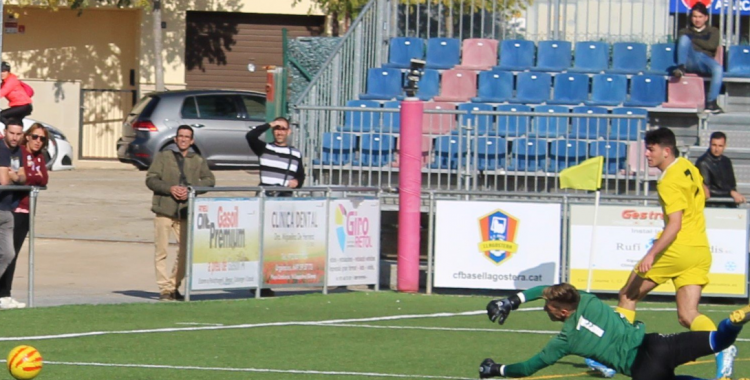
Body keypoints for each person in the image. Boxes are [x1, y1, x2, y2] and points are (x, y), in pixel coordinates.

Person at [608, 127, 735, 379]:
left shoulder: (667, 180)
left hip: (677, 249)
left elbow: (674, 225)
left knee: (628, 294)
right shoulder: (689, 166)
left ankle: (612, 360)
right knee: (688, 315)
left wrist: (651, 254)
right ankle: (724, 349)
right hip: (699, 249)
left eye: (651, 149)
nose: (646, 154)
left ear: (666, 151)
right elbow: (705, 193)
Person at [479, 283, 750, 380]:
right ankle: (736, 321)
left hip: (643, 370)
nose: (544, 307)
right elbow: (546, 290)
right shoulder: (587, 298)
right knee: (718, 339)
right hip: (657, 344)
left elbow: (526, 369)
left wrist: (495, 369)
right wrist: (513, 301)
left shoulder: (564, 341)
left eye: (548, 306)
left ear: (562, 312)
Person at [146, 125, 215, 301]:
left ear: (191, 141)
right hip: (164, 210)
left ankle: (173, 285)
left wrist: (192, 190)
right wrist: (170, 189)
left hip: (185, 212)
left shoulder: (197, 159)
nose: (183, 139)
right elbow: (151, 179)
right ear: (175, 139)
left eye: (187, 137)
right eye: (180, 136)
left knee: (185, 253)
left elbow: (209, 180)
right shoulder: (164, 157)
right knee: (161, 251)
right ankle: (164, 289)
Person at [0, 123, 48, 309]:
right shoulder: (19, 152)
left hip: (28, 210)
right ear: (27, 137)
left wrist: (24, 176)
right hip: (14, 208)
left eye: (42, 139)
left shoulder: (39, 157)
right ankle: (4, 293)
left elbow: (41, 178)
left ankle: (5, 293)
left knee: (12, 253)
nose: (38, 141)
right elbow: (10, 177)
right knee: (7, 252)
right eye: (35, 137)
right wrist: (24, 176)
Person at [672, 3, 723, 114]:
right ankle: (681, 68)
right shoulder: (685, 32)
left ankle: (711, 103)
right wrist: (698, 41)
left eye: (700, 17)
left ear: (706, 18)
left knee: (718, 69)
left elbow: (711, 46)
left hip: (705, 59)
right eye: (695, 16)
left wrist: (693, 39)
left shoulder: (713, 31)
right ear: (691, 18)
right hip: (690, 59)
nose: (697, 20)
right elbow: (683, 42)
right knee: (685, 39)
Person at [0, 118, 25, 309]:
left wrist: (14, 175)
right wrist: (14, 177)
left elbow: (23, 176)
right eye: (12, 133)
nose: (15, 137)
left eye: (18, 134)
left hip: (7, 208)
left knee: (8, 253)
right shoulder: (2, 149)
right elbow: (3, 180)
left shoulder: (18, 152)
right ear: (5, 132)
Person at [245, 117, 305, 197]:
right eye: (277, 129)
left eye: (283, 129)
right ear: (273, 131)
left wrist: (297, 181)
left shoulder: (296, 153)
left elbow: (300, 175)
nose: (279, 133)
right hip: (265, 195)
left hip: (284, 196)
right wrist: (270, 124)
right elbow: (251, 136)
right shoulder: (265, 148)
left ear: (288, 132)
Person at [695, 131, 746, 207]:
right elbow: (706, 191)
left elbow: (732, 185)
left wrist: (733, 193)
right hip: (711, 205)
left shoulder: (726, 161)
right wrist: (730, 193)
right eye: (714, 145)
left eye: (720, 146)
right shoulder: (703, 163)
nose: (717, 149)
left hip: (728, 204)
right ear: (709, 144)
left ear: (725, 146)